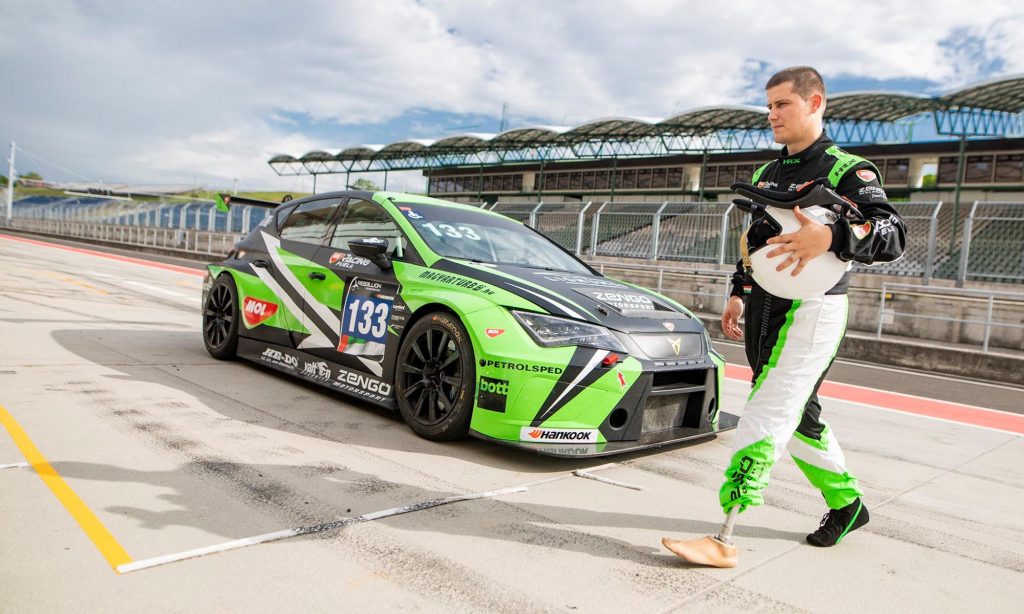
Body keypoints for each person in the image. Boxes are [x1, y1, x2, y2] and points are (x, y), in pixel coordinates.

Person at [663, 66, 907, 567]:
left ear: (814, 103)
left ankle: (725, 534)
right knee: (798, 413)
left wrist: (833, 235)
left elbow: (893, 234)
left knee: (769, 408)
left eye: (782, 104)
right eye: (769, 106)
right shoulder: (765, 175)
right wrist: (740, 290)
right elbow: (756, 241)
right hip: (764, 306)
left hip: (815, 309)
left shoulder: (848, 170)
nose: (771, 115)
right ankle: (847, 504)